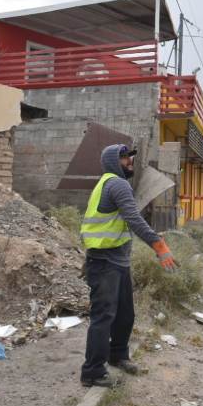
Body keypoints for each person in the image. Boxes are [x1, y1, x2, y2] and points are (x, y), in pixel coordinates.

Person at [79, 143, 177, 387]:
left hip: (116, 260)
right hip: (104, 262)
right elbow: (134, 219)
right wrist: (159, 246)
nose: (130, 161)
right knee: (103, 317)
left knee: (125, 315)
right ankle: (92, 372)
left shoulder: (107, 183)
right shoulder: (117, 184)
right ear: (113, 162)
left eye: (130, 157)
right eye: (124, 157)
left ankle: (118, 355)